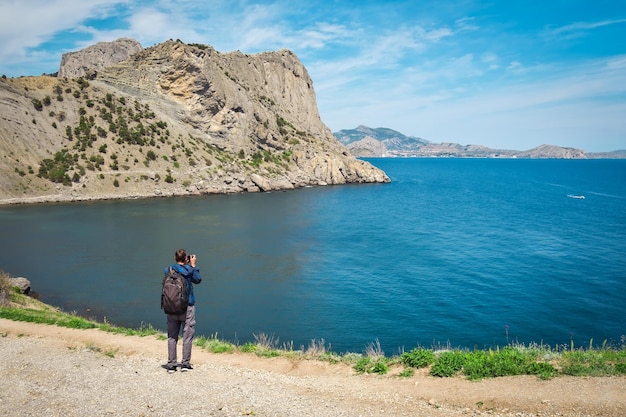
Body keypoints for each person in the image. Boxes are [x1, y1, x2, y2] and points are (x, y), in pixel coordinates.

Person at [164, 248, 201, 373]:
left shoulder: (168, 270)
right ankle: (185, 364)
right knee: (187, 335)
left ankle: (171, 364)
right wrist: (193, 265)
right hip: (187, 306)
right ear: (186, 259)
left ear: (175, 258)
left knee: (172, 336)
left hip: (171, 306)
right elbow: (198, 279)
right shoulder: (189, 271)